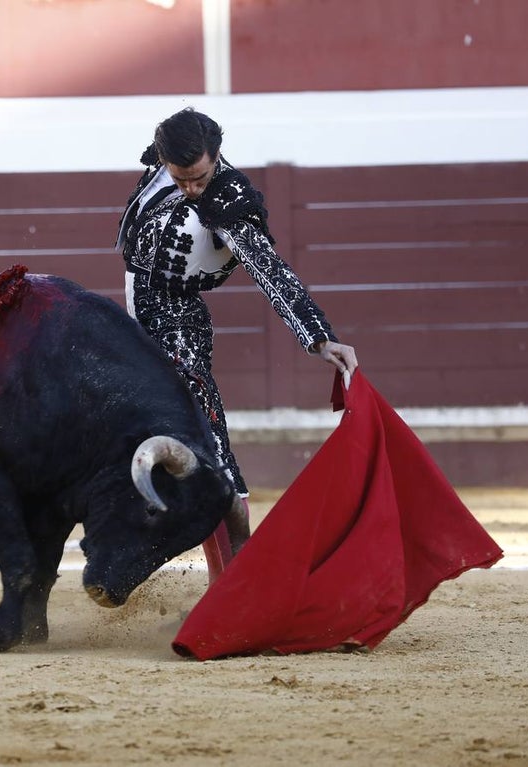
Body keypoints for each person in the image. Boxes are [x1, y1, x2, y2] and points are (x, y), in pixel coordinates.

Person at [115, 107, 358, 580]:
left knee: (207, 447)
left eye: (199, 177)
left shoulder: (228, 199)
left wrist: (318, 337)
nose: (190, 188)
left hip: (176, 327)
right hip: (133, 330)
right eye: (180, 177)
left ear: (217, 156)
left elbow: (270, 270)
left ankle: (236, 576)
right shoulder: (162, 166)